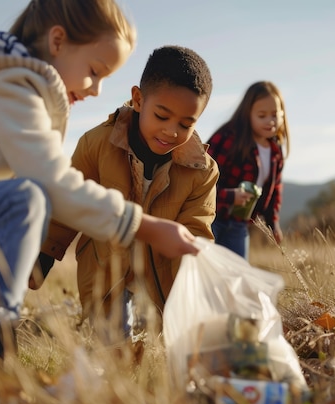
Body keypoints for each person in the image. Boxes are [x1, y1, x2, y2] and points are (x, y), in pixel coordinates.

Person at [0, 0, 199, 404]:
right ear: (59, 41)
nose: (97, 88)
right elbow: (51, 184)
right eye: (95, 71)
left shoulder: (26, 92)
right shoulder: (11, 84)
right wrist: (146, 226)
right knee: (24, 197)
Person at [38, 45, 218, 332]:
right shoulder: (96, 144)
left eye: (186, 124)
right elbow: (68, 204)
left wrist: (195, 280)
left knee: (157, 357)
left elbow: (196, 228)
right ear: (138, 99)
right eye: (161, 116)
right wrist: (43, 255)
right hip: (105, 274)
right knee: (116, 349)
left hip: (162, 280)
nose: (171, 131)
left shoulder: (202, 170)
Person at [206, 81, 290, 259]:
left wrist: (273, 223)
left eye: (275, 115)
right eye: (262, 115)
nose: (270, 121)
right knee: (204, 272)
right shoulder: (227, 138)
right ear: (248, 114)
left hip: (239, 223)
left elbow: (275, 190)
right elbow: (201, 179)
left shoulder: (275, 151)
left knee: (236, 277)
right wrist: (230, 196)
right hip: (211, 218)